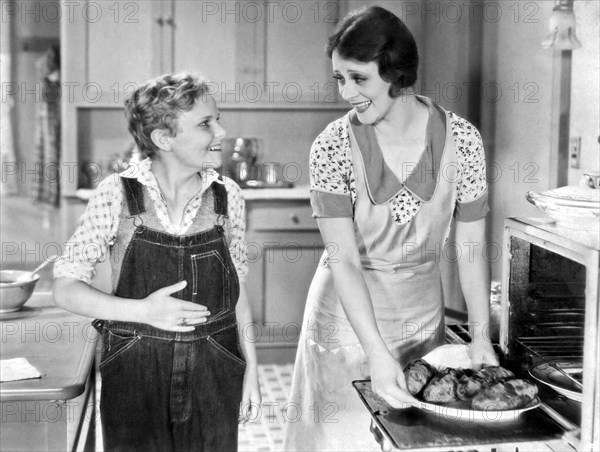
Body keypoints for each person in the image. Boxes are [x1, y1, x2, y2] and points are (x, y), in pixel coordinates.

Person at [284, 6, 498, 451]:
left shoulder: (463, 140)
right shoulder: (332, 146)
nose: (346, 93)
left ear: (396, 73)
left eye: (358, 78)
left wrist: (480, 335)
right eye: (339, 78)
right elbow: (342, 260)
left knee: (417, 438)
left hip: (422, 318)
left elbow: (472, 243)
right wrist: (376, 352)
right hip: (344, 320)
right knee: (340, 439)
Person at [53, 72, 261, 452]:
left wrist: (252, 369)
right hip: (135, 370)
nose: (221, 131)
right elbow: (65, 288)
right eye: (205, 123)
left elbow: (238, 291)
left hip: (216, 367)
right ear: (164, 139)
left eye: (218, 118)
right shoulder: (115, 195)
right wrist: (145, 311)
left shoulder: (228, 196)